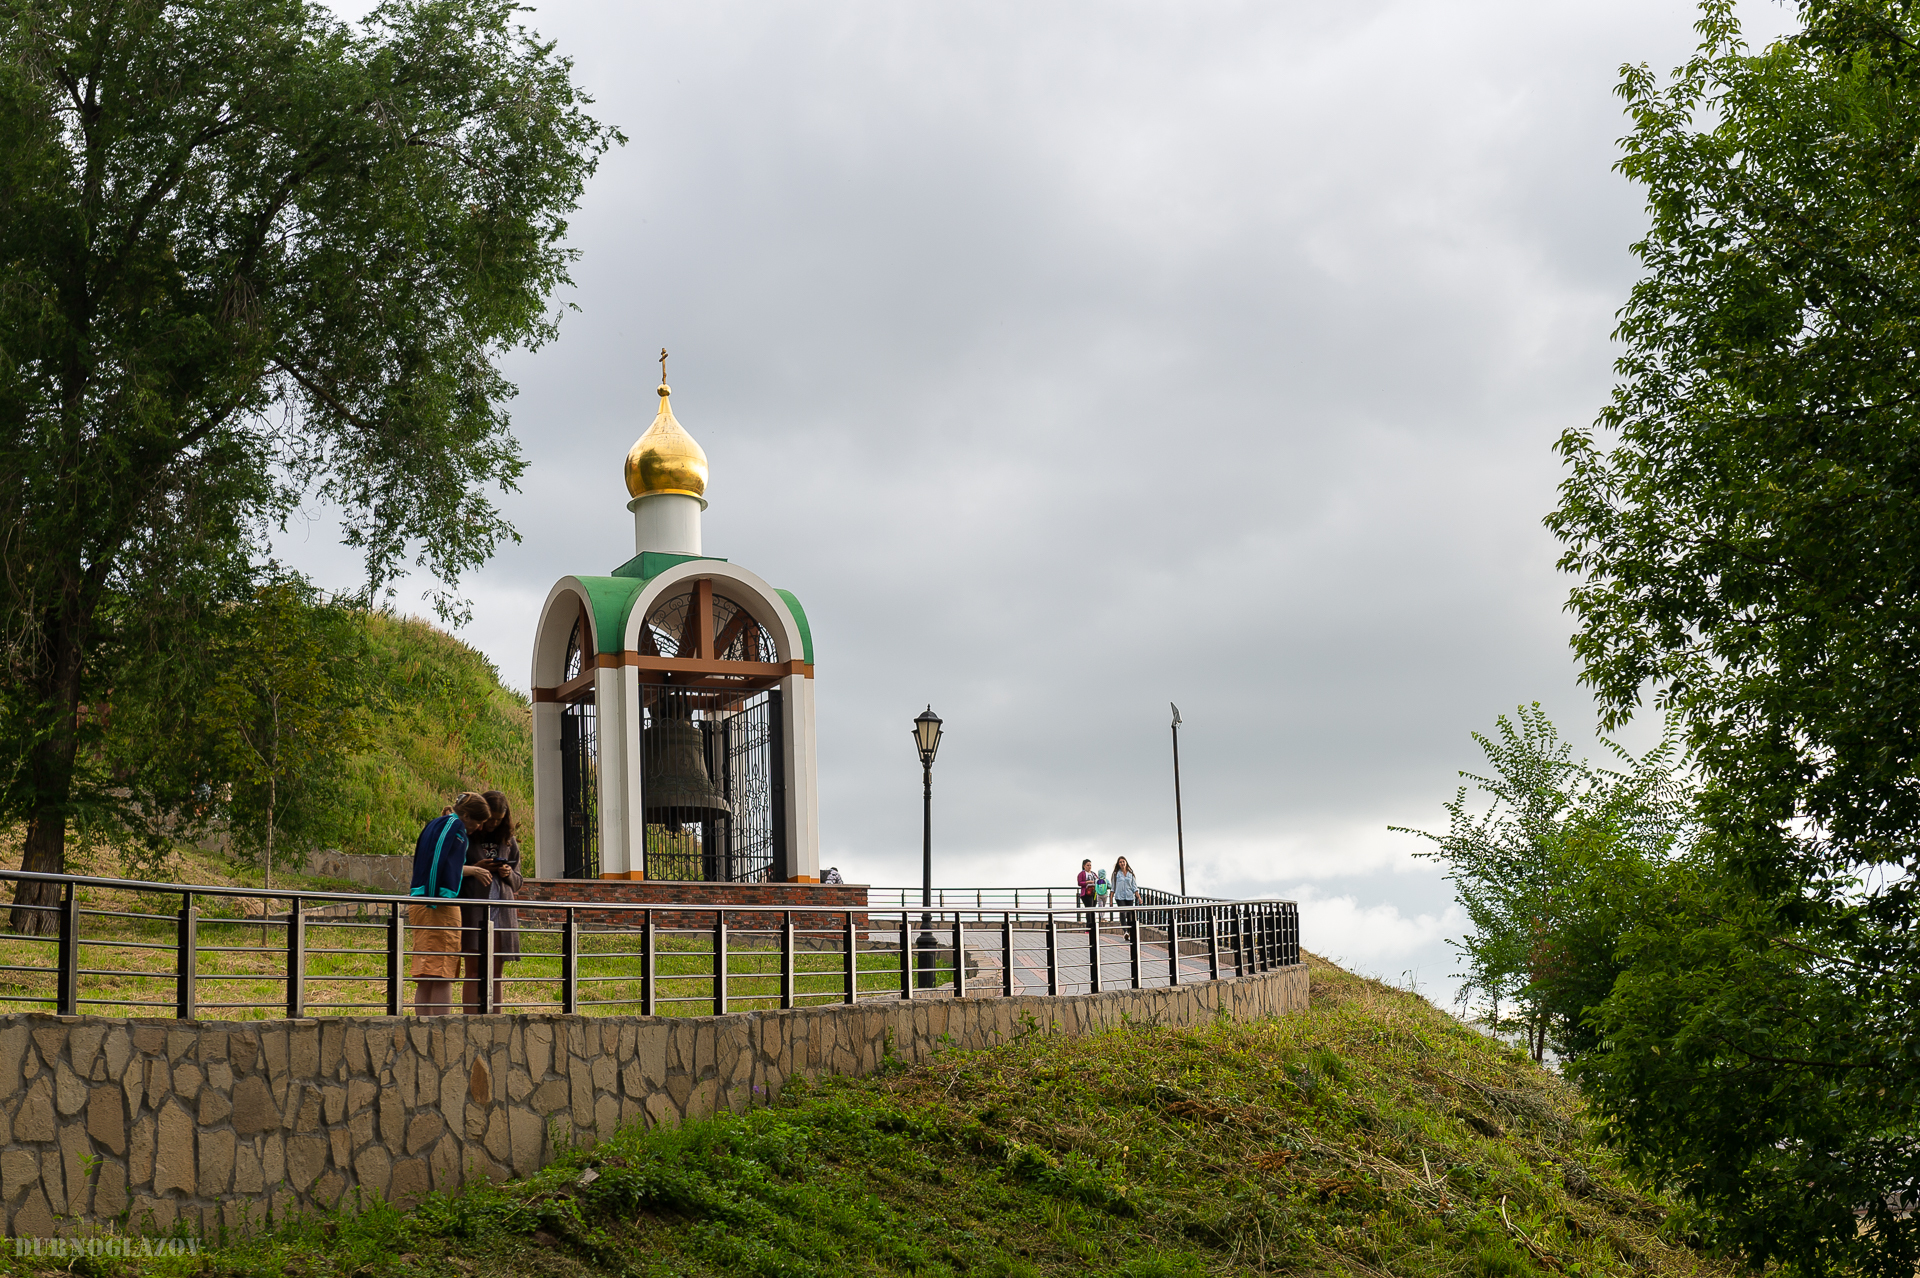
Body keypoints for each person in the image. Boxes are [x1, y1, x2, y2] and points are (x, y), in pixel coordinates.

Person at [409, 792, 494, 1016]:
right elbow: (438, 859)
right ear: (465, 815)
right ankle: (441, 1031)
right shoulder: (454, 827)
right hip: (438, 904)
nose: (478, 827)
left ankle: (423, 1029)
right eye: (477, 822)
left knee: (426, 973)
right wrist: (435, 897)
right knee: (442, 973)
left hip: (422, 899)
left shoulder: (437, 823)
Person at [462, 790, 524, 1014]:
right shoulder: (467, 836)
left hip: (502, 910)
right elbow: (455, 872)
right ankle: (469, 1018)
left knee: (496, 971)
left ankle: (495, 1019)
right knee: (473, 969)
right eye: (491, 818)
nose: (493, 824)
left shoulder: (509, 841)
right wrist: (477, 866)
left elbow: (518, 882)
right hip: (475, 909)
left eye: (499, 820)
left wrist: (507, 872)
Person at [1111, 857, 1138, 924]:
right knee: (1123, 912)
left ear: (1126, 862)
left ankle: (1130, 931)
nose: (1122, 863)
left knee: (1130, 914)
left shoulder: (1130, 873)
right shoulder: (1116, 874)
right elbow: (1113, 887)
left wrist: (1139, 897)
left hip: (1129, 896)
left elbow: (1134, 887)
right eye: (1120, 862)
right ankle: (1125, 930)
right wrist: (1111, 899)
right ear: (1118, 864)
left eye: (1123, 861)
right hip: (1119, 896)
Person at [1076, 858, 1098, 930]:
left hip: (1093, 893)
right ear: (1084, 866)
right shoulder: (1081, 874)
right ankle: (1089, 926)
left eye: (1090, 865)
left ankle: (1093, 925)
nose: (1089, 867)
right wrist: (1087, 882)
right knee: (1089, 908)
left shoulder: (1093, 873)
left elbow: (1097, 880)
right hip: (1086, 893)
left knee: (1093, 909)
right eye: (1087, 865)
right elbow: (1079, 883)